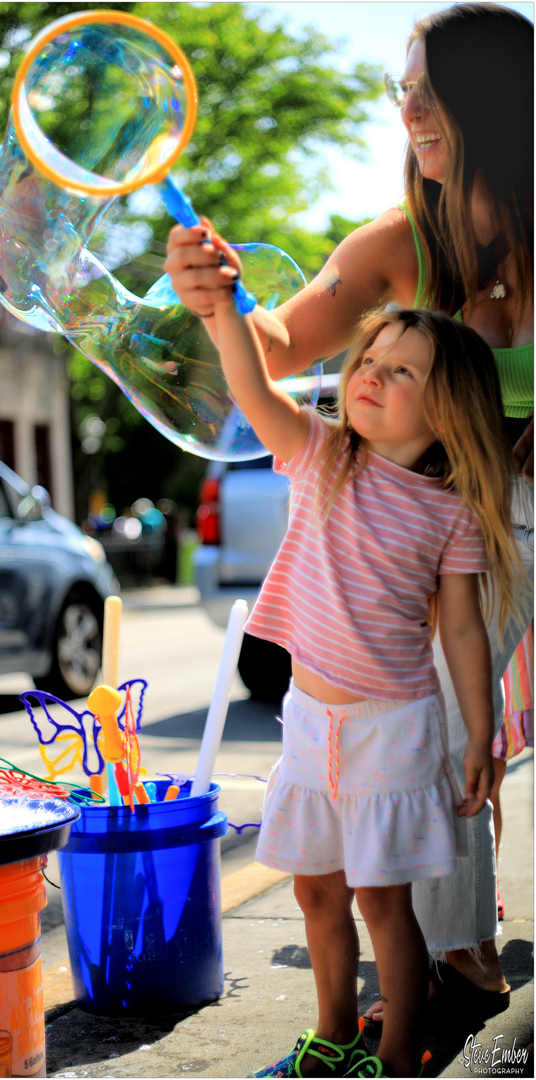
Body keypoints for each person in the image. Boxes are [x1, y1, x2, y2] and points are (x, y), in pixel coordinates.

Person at [164, 1, 533, 1018]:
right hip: (473, 521)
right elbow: (274, 345)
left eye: (429, 86)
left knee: (455, 720)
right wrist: (220, 291)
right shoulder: (394, 243)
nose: (408, 108)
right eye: (399, 87)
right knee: (450, 716)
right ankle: (461, 951)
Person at [205, 301, 522, 1078]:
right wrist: (223, 311)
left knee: (384, 904)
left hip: (392, 730)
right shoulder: (321, 455)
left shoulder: (453, 514)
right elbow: (253, 391)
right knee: (317, 894)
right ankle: (335, 1036)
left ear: (449, 409)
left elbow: (460, 634)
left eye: (401, 369)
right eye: (369, 360)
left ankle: (396, 1057)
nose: (372, 375)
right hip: (310, 724)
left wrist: (480, 731)